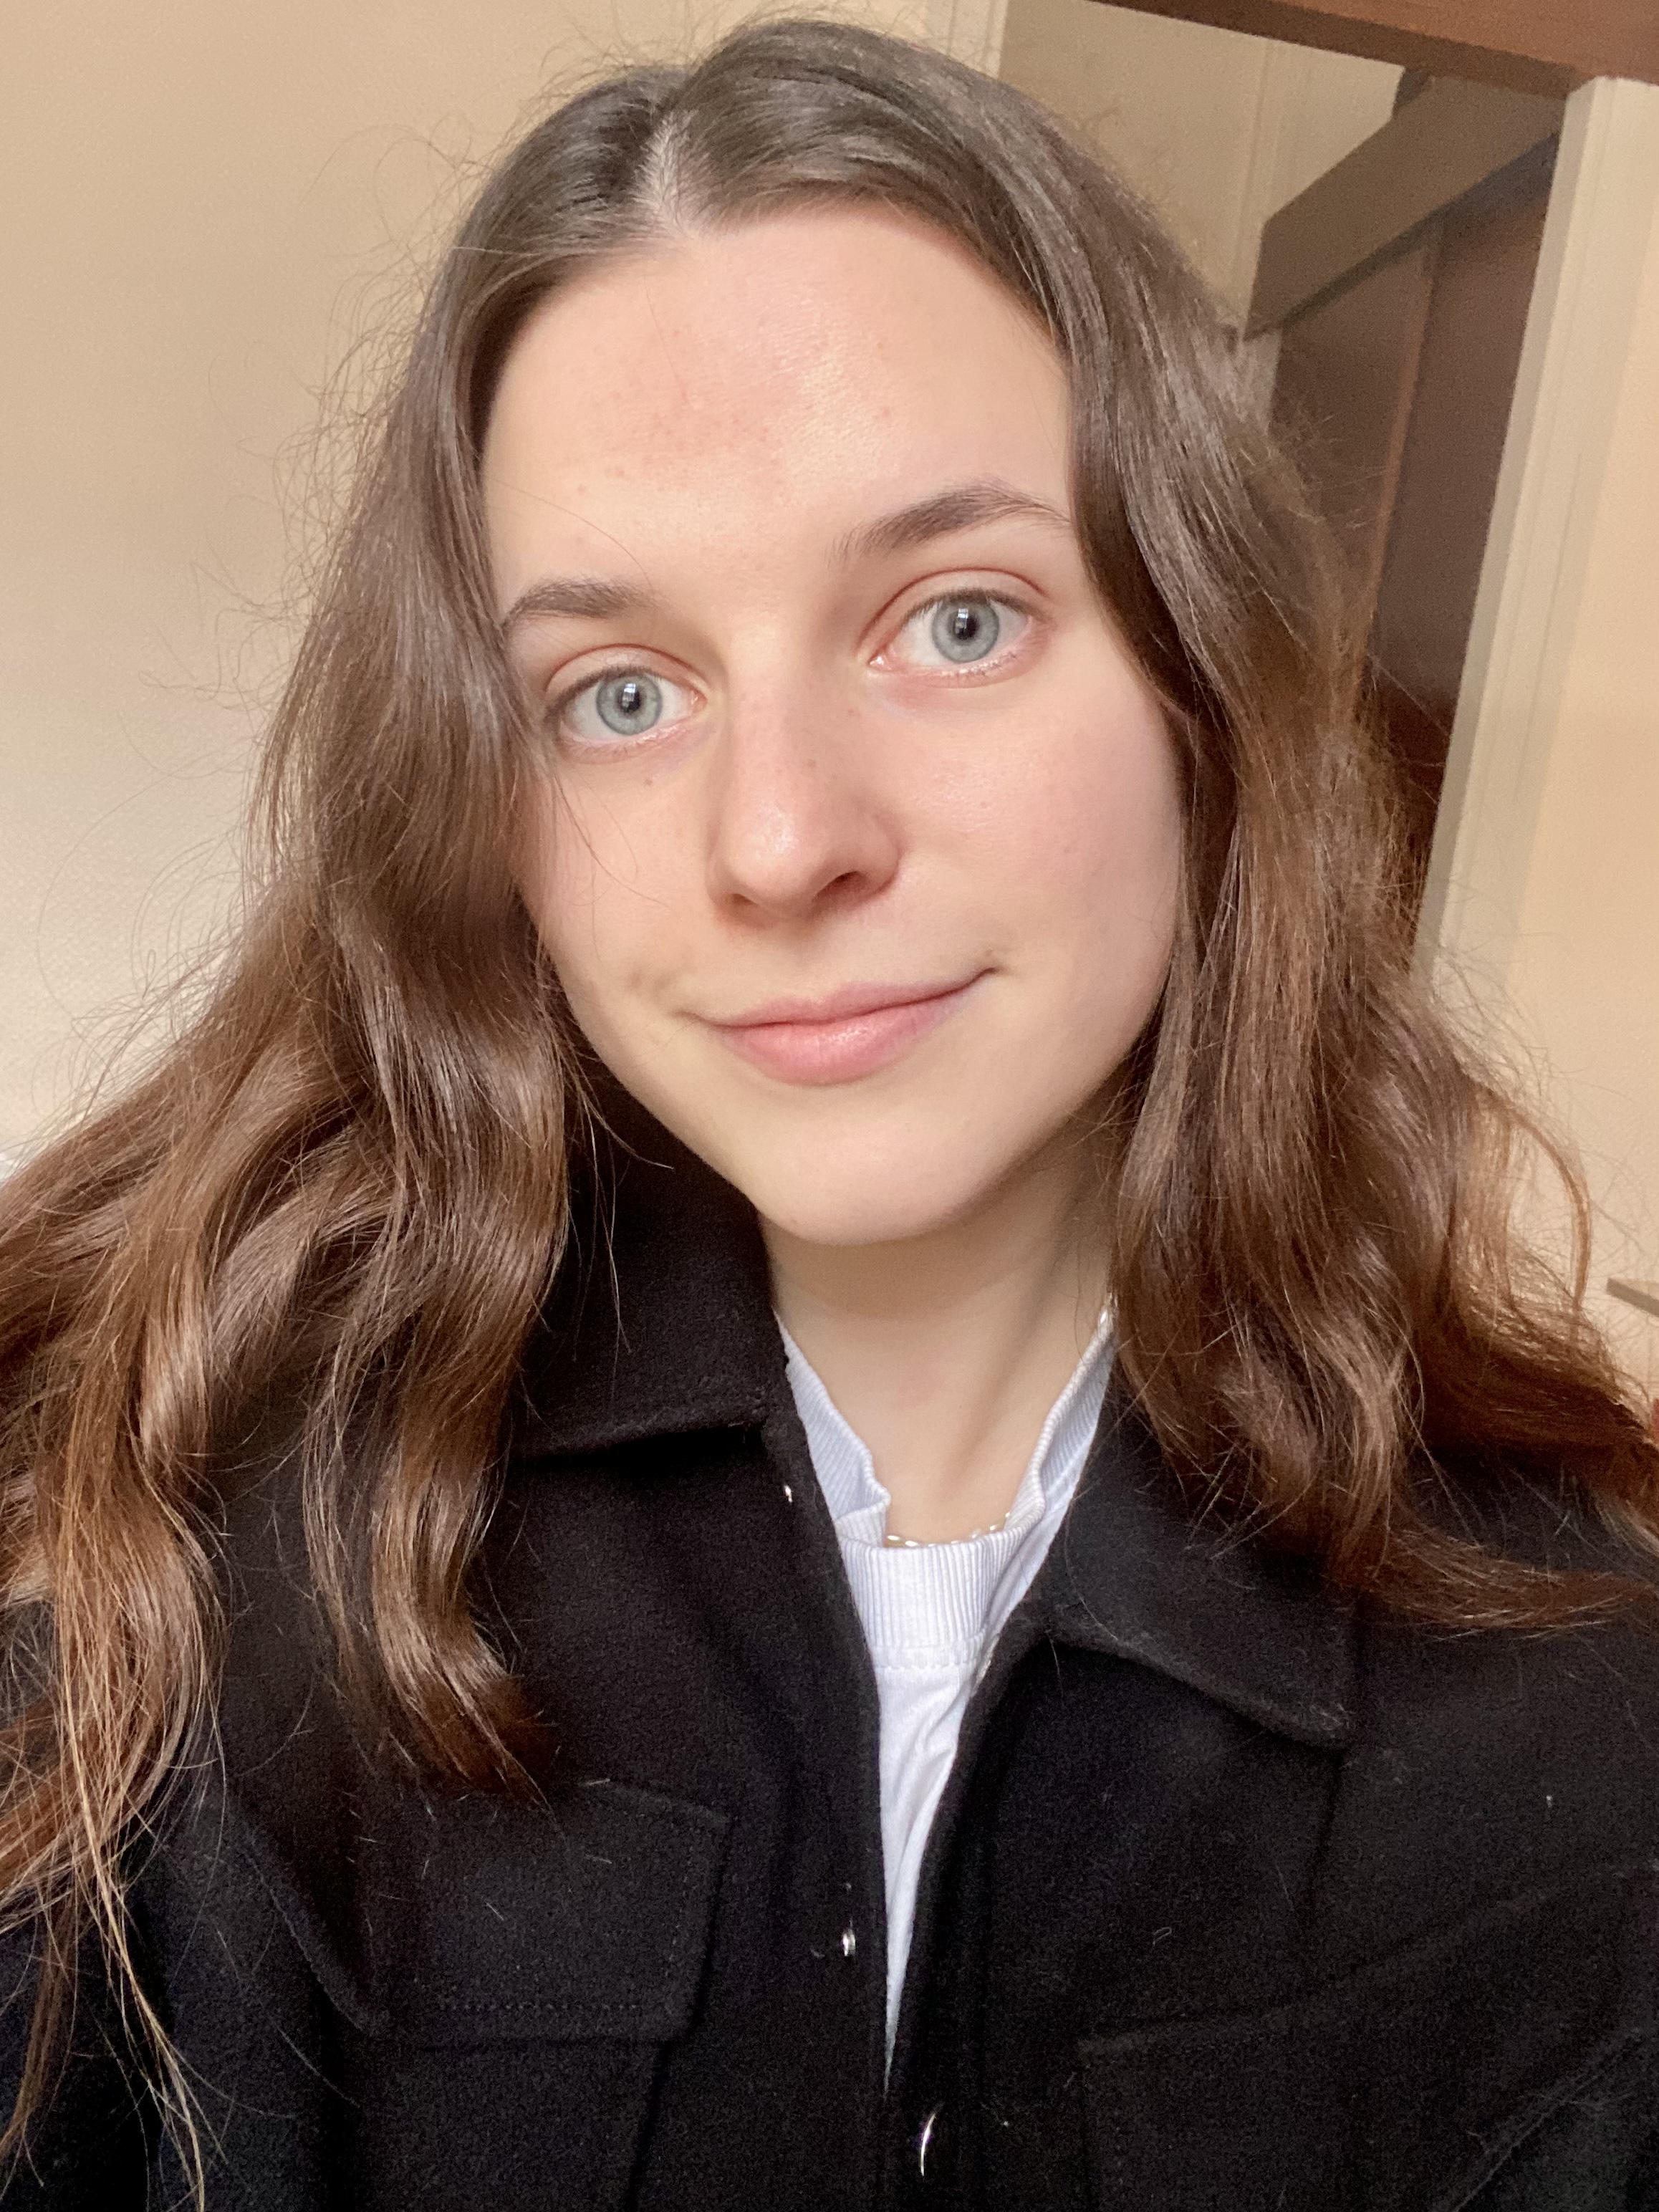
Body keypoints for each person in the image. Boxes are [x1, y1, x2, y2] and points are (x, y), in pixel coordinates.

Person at [2, 17, 1658, 2208]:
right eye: (618, 692)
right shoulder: (159, 1577)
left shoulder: (1581, 1724)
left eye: (954, 621)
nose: (779, 841)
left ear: (1198, 684)